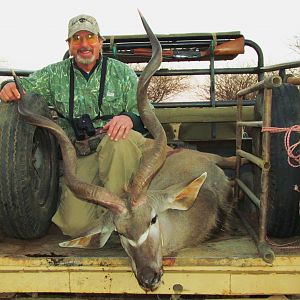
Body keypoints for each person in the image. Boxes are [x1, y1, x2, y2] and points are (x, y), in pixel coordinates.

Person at [0, 14, 149, 237]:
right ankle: (106, 220)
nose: (84, 44)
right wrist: (7, 85)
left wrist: (129, 118)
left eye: (90, 37)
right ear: (69, 45)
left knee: (119, 144)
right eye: (76, 39)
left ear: (100, 42)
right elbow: (23, 88)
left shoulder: (123, 73)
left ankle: (124, 220)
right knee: (74, 227)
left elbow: (146, 112)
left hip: (117, 145)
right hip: (81, 151)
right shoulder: (54, 74)